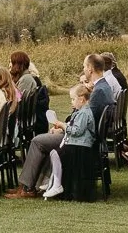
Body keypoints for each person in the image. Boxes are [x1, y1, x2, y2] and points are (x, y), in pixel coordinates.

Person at [11, 54, 112, 197]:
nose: (83, 69)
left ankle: (27, 187)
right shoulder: (104, 87)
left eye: (84, 66)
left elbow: (86, 121)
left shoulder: (99, 91)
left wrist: (63, 128)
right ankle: (38, 183)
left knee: (38, 141)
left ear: (90, 69)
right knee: (44, 140)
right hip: (81, 134)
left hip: (81, 140)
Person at [11, 50, 50, 132]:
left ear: (17, 64)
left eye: (11, 62)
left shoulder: (26, 79)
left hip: (22, 120)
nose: (10, 65)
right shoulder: (23, 77)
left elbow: (18, 99)